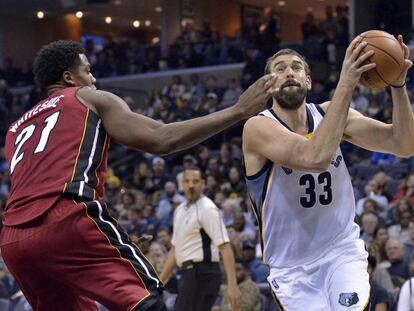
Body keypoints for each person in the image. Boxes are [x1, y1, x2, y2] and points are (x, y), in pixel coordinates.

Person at [0, 40, 275, 311]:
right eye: (88, 70)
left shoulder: (15, 130)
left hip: (13, 241)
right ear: (69, 77)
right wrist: (238, 110)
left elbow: (42, 188)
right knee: (146, 300)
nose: (93, 79)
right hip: (66, 221)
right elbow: (162, 138)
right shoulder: (87, 97)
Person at [243, 35, 414, 310]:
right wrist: (346, 82)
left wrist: (397, 85)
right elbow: (315, 157)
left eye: (297, 67)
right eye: (280, 68)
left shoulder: (330, 114)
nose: (289, 72)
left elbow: (404, 143)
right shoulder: (258, 128)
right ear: (268, 86)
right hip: (291, 268)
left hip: (341, 252)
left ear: (308, 81)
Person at [160, 167, 242, 311]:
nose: (191, 185)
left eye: (195, 181)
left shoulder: (207, 208)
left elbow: (225, 247)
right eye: (187, 181)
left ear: (203, 184)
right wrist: (159, 283)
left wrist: (232, 286)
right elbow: (175, 249)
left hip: (203, 273)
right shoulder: (179, 210)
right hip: (188, 274)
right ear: (182, 184)